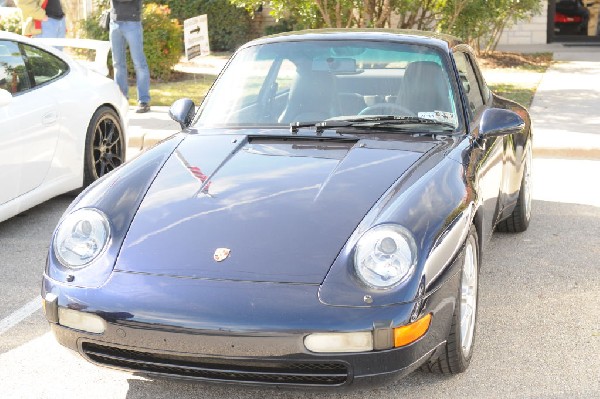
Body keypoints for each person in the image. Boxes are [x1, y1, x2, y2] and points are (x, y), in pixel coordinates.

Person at [109, 0, 151, 113]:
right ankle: (122, 100)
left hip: (132, 22)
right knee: (117, 64)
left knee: (139, 64)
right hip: (114, 22)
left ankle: (144, 101)